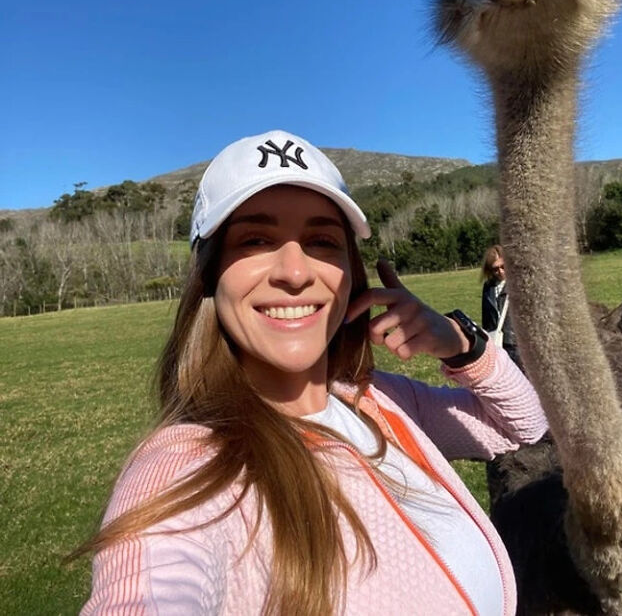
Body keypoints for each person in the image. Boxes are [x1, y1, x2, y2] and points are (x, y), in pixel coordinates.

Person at [79, 130, 547, 616]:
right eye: (256, 239)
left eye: (322, 241)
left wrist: (460, 344)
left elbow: (522, 424)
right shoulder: (190, 466)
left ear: (351, 274)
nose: (296, 272)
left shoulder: (377, 401)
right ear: (210, 275)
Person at [481, 245, 521, 369]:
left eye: (503, 267)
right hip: (498, 344)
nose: (500, 271)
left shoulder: (518, 284)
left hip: (517, 344)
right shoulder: (488, 287)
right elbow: (487, 317)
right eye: (495, 269)